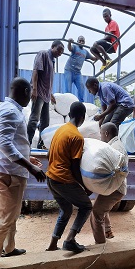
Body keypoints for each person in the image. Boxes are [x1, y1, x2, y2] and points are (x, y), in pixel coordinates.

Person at [0, 77, 46, 258]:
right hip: (11, 174)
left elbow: (10, 142)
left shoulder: (8, 109)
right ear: (26, 92)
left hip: (10, 170)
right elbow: (4, 143)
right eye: (31, 93)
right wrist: (29, 166)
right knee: (6, 219)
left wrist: (27, 157)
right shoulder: (11, 111)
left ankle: (9, 249)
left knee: (10, 214)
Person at [46, 101, 92, 253]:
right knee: (86, 206)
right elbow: (74, 167)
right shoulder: (77, 137)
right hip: (62, 179)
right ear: (82, 117)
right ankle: (70, 240)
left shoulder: (60, 130)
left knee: (66, 210)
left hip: (51, 177)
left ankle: (53, 244)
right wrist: (85, 187)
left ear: (70, 114)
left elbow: (48, 155)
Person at [90, 123, 128, 244]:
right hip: (114, 187)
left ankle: (100, 244)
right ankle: (108, 232)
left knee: (96, 212)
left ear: (106, 134)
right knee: (101, 207)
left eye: (101, 133)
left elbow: (116, 169)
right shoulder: (114, 145)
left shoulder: (115, 148)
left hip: (116, 188)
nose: (100, 136)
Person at [27, 40, 64, 149]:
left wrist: (50, 94)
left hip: (46, 95)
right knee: (34, 119)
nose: (59, 54)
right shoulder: (43, 54)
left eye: (61, 53)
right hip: (38, 93)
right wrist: (34, 88)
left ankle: (41, 144)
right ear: (52, 46)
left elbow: (46, 80)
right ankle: (27, 143)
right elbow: (35, 71)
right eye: (58, 50)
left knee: (45, 122)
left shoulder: (52, 61)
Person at [64, 36, 96, 102]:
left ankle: (81, 103)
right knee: (68, 89)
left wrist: (99, 54)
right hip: (69, 70)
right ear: (77, 41)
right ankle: (67, 102)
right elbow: (70, 48)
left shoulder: (85, 52)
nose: (81, 42)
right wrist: (69, 42)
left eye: (82, 41)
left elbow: (93, 58)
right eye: (79, 41)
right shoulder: (75, 47)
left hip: (77, 72)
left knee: (81, 87)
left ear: (84, 42)